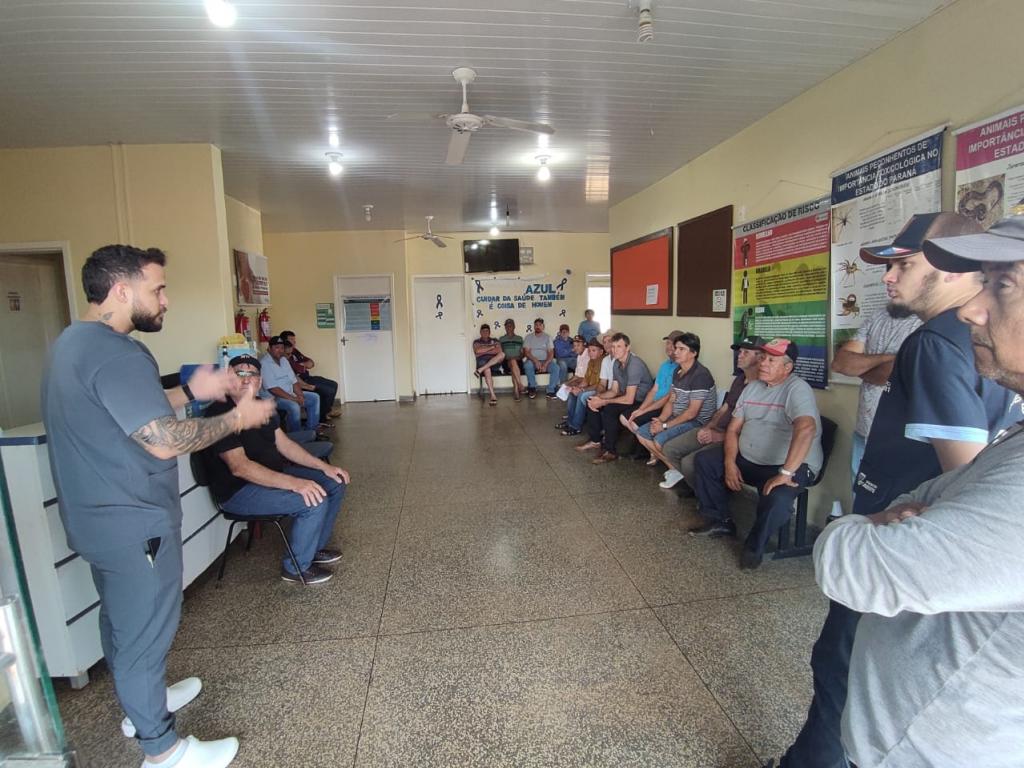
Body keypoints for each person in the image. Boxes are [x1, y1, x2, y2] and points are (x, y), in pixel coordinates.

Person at [779, 212, 1019, 768]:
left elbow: (965, 473)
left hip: (912, 576)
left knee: (838, 665)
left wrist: (869, 527)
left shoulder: (934, 342)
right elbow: (849, 363)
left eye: (903, 265)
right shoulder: (945, 341)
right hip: (930, 580)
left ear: (952, 269)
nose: (888, 277)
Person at [42, 244, 275, 768]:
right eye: (158, 289)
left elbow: (135, 409)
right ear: (122, 290)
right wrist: (236, 419)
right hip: (131, 520)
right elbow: (164, 440)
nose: (166, 299)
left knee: (124, 620)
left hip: (97, 520)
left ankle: (142, 701)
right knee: (145, 628)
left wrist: (193, 390)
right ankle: (163, 748)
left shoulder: (75, 343)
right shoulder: (115, 353)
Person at [203, 355, 349, 585]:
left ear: (260, 381)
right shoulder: (218, 413)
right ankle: (296, 568)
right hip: (240, 491)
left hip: (271, 476)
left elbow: (286, 445)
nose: (246, 379)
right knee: (314, 499)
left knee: (335, 482)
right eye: (239, 373)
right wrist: (296, 484)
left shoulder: (262, 406)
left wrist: (324, 467)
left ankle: (312, 549)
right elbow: (240, 467)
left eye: (252, 374)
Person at [691, 338, 823, 570]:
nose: (763, 363)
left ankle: (754, 546)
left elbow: (806, 428)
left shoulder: (797, 389)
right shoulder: (752, 388)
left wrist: (785, 473)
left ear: (787, 367)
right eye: (763, 358)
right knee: (705, 461)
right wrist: (730, 462)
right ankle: (720, 520)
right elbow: (733, 429)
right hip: (751, 459)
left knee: (779, 497)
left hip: (787, 465)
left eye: (771, 360)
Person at [661, 336, 765, 492]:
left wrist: (719, 436)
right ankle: (699, 489)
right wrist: (708, 427)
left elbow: (753, 428)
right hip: (717, 429)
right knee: (670, 448)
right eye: (740, 351)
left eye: (746, 352)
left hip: (732, 438)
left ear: (760, 357)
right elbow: (724, 408)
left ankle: (706, 493)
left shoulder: (762, 386)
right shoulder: (739, 380)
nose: (739, 355)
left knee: (690, 462)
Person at [830, 308, 919, 480]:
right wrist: (889, 358)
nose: (890, 294)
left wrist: (860, 368)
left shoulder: (927, 320)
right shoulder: (878, 316)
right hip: (864, 431)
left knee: (898, 494)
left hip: (901, 438)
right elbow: (840, 364)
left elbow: (895, 373)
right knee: (860, 492)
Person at [633, 332, 717, 471]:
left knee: (659, 441)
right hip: (678, 416)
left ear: (693, 353)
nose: (675, 352)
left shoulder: (700, 375)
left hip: (696, 422)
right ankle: (674, 469)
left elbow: (692, 413)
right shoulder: (677, 371)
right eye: (676, 348)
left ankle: (676, 471)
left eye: (681, 349)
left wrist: (664, 426)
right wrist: (660, 420)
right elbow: (671, 401)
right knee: (642, 433)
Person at [576, 332, 654, 464]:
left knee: (609, 409)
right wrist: (597, 398)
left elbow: (629, 399)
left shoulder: (634, 364)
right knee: (592, 401)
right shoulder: (616, 364)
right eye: (613, 346)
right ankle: (596, 441)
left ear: (627, 348)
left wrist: (604, 401)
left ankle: (610, 451)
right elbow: (614, 390)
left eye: (619, 346)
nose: (615, 350)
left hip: (642, 401)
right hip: (627, 397)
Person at [620, 331, 685, 461]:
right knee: (624, 417)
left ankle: (646, 450)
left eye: (672, 344)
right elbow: (654, 390)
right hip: (654, 402)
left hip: (664, 406)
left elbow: (668, 398)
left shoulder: (681, 368)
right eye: (667, 343)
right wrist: (641, 409)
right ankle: (649, 448)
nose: (669, 347)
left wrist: (644, 411)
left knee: (635, 422)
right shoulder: (665, 365)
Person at [259, 335, 322, 433]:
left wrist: (300, 395)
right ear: (269, 349)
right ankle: (296, 435)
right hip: (273, 398)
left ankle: (311, 431)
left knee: (314, 397)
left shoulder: (284, 360)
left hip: (289, 393)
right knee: (293, 406)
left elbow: (294, 381)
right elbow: (273, 389)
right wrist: (294, 399)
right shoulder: (264, 363)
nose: (280, 350)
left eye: (282, 348)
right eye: (276, 347)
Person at [280, 330, 341, 419]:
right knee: (328, 390)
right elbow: (295, 371)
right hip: (301, 382)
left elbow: (311, 363)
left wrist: (302, 365)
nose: (294, 342)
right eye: (291, 339)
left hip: (307, 377)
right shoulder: (283, 355)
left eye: (294, 339)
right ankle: (322, 417)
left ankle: (327, 411)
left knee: (334, 384)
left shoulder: (294, 351)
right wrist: (306, 383)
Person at [557, 337, 606, 436]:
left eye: (594, 351)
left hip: (599, 389)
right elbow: (586, 380)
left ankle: (576, 426)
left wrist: (582, 389)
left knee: (581, 395)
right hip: (590, 386)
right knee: (573, 393)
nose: (590, 353)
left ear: (601, 352)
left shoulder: (603, 362)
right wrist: (577, 388)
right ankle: (570, 422)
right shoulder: (591, 361)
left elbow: (599, 384)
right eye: (590, 350)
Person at [522, 318, 561, 399]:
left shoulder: (547, 337)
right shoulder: (528, 337)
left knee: (556, 368)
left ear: (543, 327)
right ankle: (532, 387)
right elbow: (526, 352)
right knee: (527, 365)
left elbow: (551, 353)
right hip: (532, 361)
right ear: (534, 326)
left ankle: (550, 390)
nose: (538, 326)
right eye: (536, 325)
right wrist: (535, 361)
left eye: (540, 325)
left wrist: (545, 364)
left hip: (545, 361)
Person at [472, 324, 505, 405]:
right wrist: (491, 348)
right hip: (482, 362)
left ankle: (480, 370)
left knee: (502, 354)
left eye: (487, 331)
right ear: (480, 332)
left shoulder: (495, 340)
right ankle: (493, 395)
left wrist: (484, 350)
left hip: (494, 364)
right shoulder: (477, 342)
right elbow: (477, 351)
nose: (485, 332)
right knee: (487, 369)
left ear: (489, 332)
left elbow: (499, 351)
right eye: (483, 331)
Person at [498, 318, 525, 400]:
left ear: (514, 327)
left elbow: (523, 353)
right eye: (507, 326)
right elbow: (500, 353)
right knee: (512, 362)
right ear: (505, 327)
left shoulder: (519, 338)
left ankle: (516, 389)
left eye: (510, 326)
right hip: (506, 362)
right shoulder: (501, 339)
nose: (509, 327)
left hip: (518, 361)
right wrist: (508, 358)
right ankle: (519, 385)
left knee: (513, 365)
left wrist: (519, 357)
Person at [551, 323, 577, 389]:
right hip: (561, 359)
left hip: (571, 359)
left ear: (569, 332)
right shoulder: (556, 341)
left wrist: (567, 351)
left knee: (579, 363)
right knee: (563, 365)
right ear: (560, 333)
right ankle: (563, 385)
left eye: (566, 331)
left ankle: (577, 384)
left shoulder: (572, 340)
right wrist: (571, 350)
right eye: (563, 332)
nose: (564, 333)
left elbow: (576, 352)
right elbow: (560, 354)